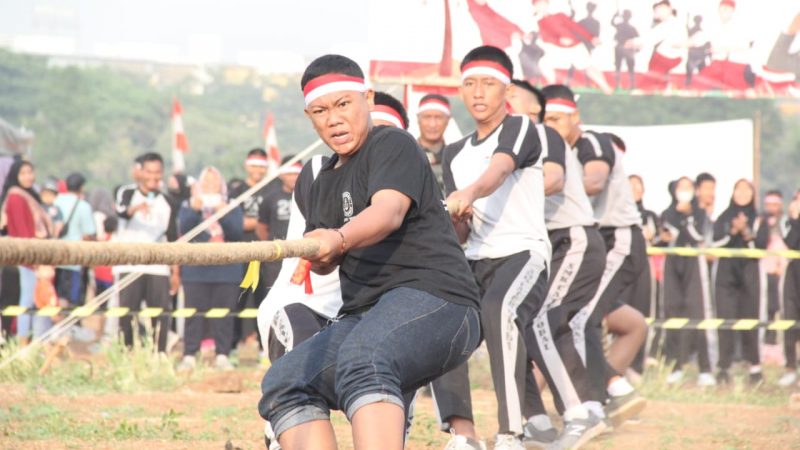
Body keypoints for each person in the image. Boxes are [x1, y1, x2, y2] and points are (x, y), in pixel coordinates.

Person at [258, 54, 480, 450]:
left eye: (344, 104)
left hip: (440, 302)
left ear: (369, 98)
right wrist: (321, 254)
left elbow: (388, 212)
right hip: (367, 313)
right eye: (321, 111)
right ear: (309, 117)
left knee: (365, 357)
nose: (334, 119)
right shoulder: (320, 180)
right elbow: (327, 264)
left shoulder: (392, 143)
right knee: (285, 381)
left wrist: (338, 238)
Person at [439, 45, 599, 450]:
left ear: (505, 91)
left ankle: (510, 433)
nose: (478, 93)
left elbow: (500, 169)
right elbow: (461, 233)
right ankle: (464, 435)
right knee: (444, 329)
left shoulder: (523, 129)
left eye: (488, 84)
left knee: (500, 310)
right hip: (474, 259)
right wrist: (457, 219)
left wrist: (468, 193)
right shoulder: (453, 153)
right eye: (470, 84)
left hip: (523, 253)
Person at [541, 85, 647, 430]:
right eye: (546, 119)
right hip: (590, 246)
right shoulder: (556, 152)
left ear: (576, 118)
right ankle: (614, 390)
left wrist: (548, 185)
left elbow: (596, 180)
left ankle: (608, 391)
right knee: (623, 322)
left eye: (556, 118)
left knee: (577, 318)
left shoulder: (592, 142)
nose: (550, 125)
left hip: (617, 239)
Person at [510, 88, 611, 447]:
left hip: (574, 239)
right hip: (548, 244)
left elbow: (552, 181)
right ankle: (548, 418)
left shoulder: (542, 133)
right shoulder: (507, 143)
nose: (504, 98)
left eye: (511, 92)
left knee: (542, 322)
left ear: (537, 108)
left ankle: (580, 414)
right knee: (525, 326)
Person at [176, 166, 244, 372]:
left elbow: (236, 232)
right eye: (206, 182)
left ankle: (222, 354)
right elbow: (184, 230)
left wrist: (222, 211)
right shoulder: (189, 204)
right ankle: (189, 354)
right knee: (194, 314)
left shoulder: (231, 204)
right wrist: (195, 209)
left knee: (224, 313)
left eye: (214, 183)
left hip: (226, 269)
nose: (210, 186)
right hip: (196, 269)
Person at [114, 153, 178, 353]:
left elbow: (173, 239)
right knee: (127, 314)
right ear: (140, 172)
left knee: (160, 316)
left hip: (158, 268)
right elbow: (120, 210)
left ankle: (159, 355)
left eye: (157, 172)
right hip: (130, 264)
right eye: (149, 171)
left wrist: (175, 272)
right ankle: (127, 353)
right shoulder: (127, 192)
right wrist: (135, 209)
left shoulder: (168, 201)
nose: (153, 176)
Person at [660, 177, 717, 386]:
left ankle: (705, 368)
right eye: (681, 187)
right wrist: (663, 236)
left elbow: (697, 236)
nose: (684, 191)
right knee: (672, 312)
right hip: (673, 265)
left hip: (694, 264)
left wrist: (688, 216)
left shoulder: (700, 213)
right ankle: (676, 365)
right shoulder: (667, 213)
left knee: (698, 313)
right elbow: (663, 238)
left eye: (688, 188)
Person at [711, 179, 768, 384]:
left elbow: (760, 248)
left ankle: (754, 367)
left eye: (747, 190)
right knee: (725, 321)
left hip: (749, 276)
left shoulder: (759, 219)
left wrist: (745, 232)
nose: (742, 194)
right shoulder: (723, 217)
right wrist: (733, 231)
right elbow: (715, 244)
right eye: (739, 189)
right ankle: (724, 368)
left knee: (750, 321)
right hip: (726, 277)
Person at [229, 147, 280, 350]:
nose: (257, 170)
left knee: (265, 297)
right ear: (246, 166)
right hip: (241, 249)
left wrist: (254, 223)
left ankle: (263, 345)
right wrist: (257, 223)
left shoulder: (273, 188)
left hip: (267, 251)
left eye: (261, 166)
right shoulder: (237, 189)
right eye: (253, 165)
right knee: (238, 297)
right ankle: (233, 343)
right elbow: (232, 222)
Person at [0, 160, 55, 343]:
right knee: (28, 300)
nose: (28, 177)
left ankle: (39, 340)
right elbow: (23, 232)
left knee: (39, 300)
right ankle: (24, 341)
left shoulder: (29, 195)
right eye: (23, 173)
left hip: (37, 257)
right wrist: (35, 262)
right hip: (28, 259)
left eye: (30, 172)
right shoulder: (16, 197)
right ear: (16, 175)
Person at [533, 0, 613, 94]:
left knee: (588, 67)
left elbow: (575, 26)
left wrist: (591, 38)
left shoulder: (560, 16)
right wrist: (559, 41)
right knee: (543, 63)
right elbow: (545, 38)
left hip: (575, 47)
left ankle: (606, 87)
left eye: (543, 4)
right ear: (535, 7)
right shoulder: (539, 22)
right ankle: (552, 88)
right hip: (558, 50)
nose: (542, 7)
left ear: (547, 5)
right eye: (538, 5)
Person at [626, 174, 660, 375]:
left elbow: (657, 237)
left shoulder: (650, 216)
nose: (634, 189)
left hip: (644, 269)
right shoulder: (618, 213)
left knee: (643, 314)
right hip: (622, 266)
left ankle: (637, 366)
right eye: (630, 185)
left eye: (638, 185)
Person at [256, 156, 302, 295]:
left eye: (296, 173)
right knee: (274, 295)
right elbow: (261, 227)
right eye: (289, 173)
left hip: (302, 258)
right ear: (282, 174)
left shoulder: (310, 195)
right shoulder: (270, 198)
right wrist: (272, 248)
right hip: (276, 259)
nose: (293, 178)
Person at [54, 173, 96, 307]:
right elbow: (89, 234)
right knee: (71, 299)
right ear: (81, 187)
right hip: (74, 260)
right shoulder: (83, 206)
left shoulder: (55, 201)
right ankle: (68, 326)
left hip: (53, 257)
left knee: (56, 297)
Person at [629, 0, 686, 92]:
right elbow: (652, 36)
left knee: (653, 74)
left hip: (668, 57)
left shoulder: (670, 24)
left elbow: (652, 37)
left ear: (669, 9)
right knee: (655, 70)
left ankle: (642, 90)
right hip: (666, 55)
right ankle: (664, 88)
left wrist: (635, 42)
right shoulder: (669, 23)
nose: (658, 13)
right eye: (656, 11)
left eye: (660, 10)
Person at [762, 190, 788, 356]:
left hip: (781, 272)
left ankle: (779, 347)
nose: (771, 207)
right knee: (766, 309)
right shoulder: (761, 222)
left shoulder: (785, 223)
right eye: (768, 204)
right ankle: (766, 345)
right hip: (763, 273)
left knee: (780, 309)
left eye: (775, 204)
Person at [781, 191, 800, 386]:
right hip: (793, 277)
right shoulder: (788, 222)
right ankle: (790, 366)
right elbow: (791, 243)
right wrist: (795, 219)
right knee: (789, 322)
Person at [416, 93, 450, 188]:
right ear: (418, 119)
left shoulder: (456, 157)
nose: (432, 124)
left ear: (448, 120)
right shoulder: (406, 154)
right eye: (427, 117)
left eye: (438, 117)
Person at [611, 9, 639, 90]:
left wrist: (615, 16)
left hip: (626, 49)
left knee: (622, 67)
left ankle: (629, 85)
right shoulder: (627, 27)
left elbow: (612, 23)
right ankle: (619, 84)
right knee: (620, 67)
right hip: (621, 48)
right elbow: (612, 23)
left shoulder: (627, 27)